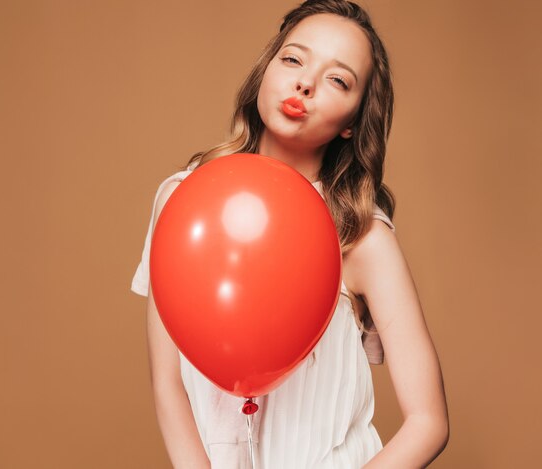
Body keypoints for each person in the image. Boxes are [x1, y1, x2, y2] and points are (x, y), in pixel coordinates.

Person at [131, 1, 449, 467]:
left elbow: (429, 422)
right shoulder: (182, 200)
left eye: (337, 79)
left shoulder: (362, 236)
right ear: (266, 69)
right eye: (293, 59)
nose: (305, 83)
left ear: (352, 124)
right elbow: (168, 381)